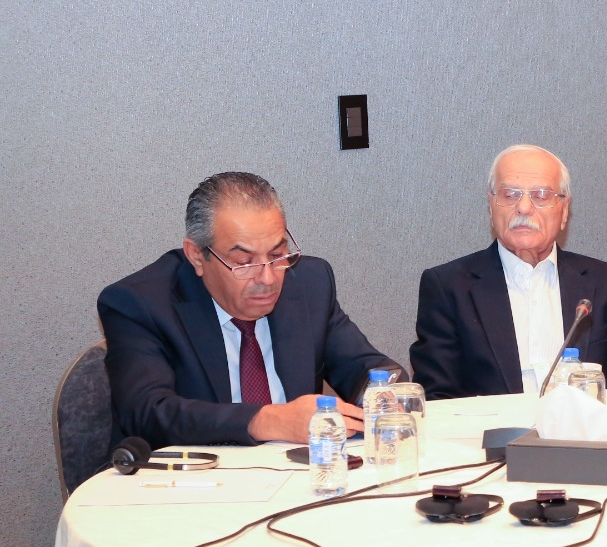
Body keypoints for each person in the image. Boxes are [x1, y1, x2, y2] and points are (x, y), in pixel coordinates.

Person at [99, 172, 401, 448]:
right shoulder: (140, 303)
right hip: (196, 481)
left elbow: (365, 367)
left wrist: (387, 394)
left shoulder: (309, 284)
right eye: (244, 262)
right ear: (197, 256)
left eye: (277, 254)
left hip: (297, 474)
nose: (268, 278)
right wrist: (268, 420)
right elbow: (147, 412)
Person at [410, 145, 607, 400]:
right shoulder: (448, 287)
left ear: (564, 211)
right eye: (509, 195)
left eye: (541, 195)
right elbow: (437, 400)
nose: (524, 208)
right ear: (491, 207)